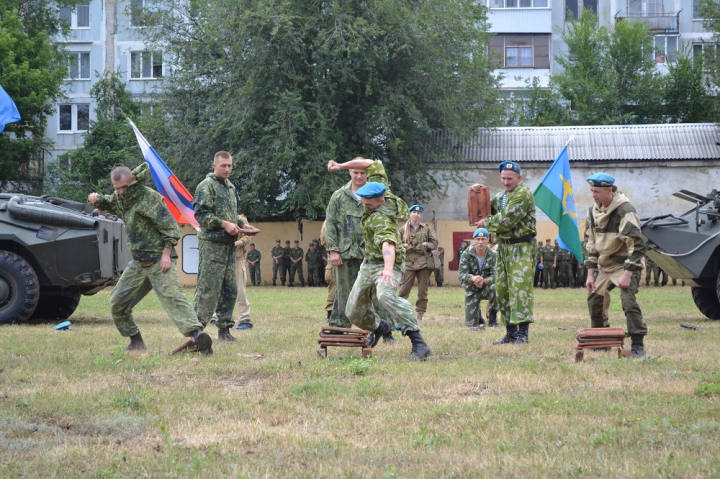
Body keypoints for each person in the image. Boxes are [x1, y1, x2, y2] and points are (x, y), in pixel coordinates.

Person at [88, 163, 212, 354]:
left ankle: (198, 337)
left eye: (124, 187)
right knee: (117, 302)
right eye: (117, 188)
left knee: (173, 296)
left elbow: (171, 228)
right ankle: (136, 341)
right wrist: (97, 199)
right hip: (138, 263)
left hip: (159, 259)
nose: (121, 192)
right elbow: (110, 202)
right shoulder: (121, 199)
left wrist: (166, 254)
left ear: (132, 180)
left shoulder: (150, 198)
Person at [345, 182, 431, 360]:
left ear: (381, 202)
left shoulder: (382, 219)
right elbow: (372, 165)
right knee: (352, 311)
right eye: (363, 202)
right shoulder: (379, 203)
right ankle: (379, 327)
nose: (364, 206)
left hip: (389, 264)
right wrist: (340, 166)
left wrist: (388, 269)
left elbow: (388, 244)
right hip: (369, 264)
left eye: (368, 204)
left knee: (385, 296)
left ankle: (418, 343)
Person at [325, 157, 404, 344]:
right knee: (344, 292)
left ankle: (385, 331)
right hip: (346, 253)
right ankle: (339, 328)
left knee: (377, 294)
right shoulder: (339, 196)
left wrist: (340, 164)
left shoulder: (376, 193)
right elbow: (330, 224)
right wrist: (333, 250)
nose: (359, 176)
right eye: (355, 172)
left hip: (372, 253)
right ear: (350, 173)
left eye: (362, 172)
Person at [584, 173, 648, 358]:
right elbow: (591, 245)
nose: (593, 195)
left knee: (628, 301)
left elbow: (637, 246)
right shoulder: (592, 211)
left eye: (597, 191)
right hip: (605, 266)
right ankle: (601, 339)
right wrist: (590, 274)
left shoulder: (625, 210)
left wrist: (627, 274)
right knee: (594, 300)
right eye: (591, 191)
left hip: (626, 265)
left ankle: (637, 343)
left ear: (610, 190)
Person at [473, 161, 536, 345]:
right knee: (502, 289)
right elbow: (486, 209)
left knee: (520, 289)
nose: (506, 182)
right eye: (503, 178)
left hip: (521, 247)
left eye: (509, 178)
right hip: (504, 248)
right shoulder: (502, 196)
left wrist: (487, 222)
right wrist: (478, 193)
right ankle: (510, 333)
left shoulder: (523, 194)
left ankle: (522, 334)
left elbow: (506, 220)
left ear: (519, 178)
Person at [193, 150, 242, 342]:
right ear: (214, 166)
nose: (227, 169)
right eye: (223, 165)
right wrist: (224, 224)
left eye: (230, 165)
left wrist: (243, 225)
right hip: (212, 245)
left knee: (230, 289)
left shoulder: (230, 188)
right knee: (208, 289)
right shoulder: (206, 186)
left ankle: (224, 330)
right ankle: (196, 331)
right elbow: (201, 215)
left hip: (228, 246)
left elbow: (233, 216)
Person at [398, 205, 438, 322]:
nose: (416, 214)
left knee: (422, 291)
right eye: (413, 212)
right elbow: (395, 244)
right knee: (404, 289)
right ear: (410, 214)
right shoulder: (402, 229)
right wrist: (403, 246)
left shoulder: (426, 228)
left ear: (420, 215)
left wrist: (426, 244)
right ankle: (400, 313)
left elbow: (434, 242)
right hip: (409, 262)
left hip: (423, 263)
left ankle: (420, 314)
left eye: (418, 213)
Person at [459, 228, 499, 330]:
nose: (480, 242)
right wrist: (473, 278)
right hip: (472, 289)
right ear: (474, 240)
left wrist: (484, 281)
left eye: (483, 239)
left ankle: (493, 318)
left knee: (496, 287)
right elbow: (461, 275)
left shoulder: (494, 255)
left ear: (487, 240)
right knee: (471, 324)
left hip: (487, 288)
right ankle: (478, 314)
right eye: (478, 239)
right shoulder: (466, 254)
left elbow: (496, 276)